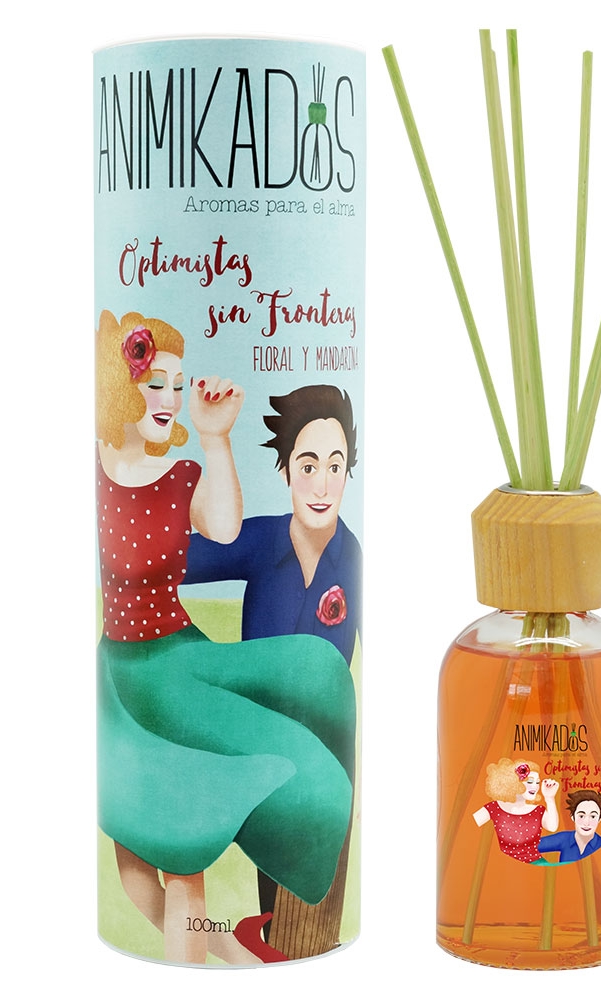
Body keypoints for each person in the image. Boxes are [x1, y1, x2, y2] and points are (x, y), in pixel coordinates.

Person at [95, 310, 355, 965]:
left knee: (186, 852)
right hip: (123, 677)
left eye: (177, 386)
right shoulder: (91, 470)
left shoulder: (180, 476)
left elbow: (224, 528)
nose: (170, 399)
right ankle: (236, 953)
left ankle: (259, 938)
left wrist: (215, 439)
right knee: (136, 869)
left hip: (179, 661)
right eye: (156, 383)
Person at [184, 384, 361, 666]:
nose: (323, 488)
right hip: (250, 695)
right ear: (285, 471)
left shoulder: (353, 556)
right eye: (308, 468)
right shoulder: (263, 540)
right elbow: (165, 560)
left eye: (335, 467)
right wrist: (214, 440)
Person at [473, 758, 560, 864]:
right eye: (530, 782)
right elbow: (469, 824)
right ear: (513, 782)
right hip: (504, 867)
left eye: (537, 782)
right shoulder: (494, 808)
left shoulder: (538, 810)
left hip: (537, 865)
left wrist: (549, 798)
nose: (535, 786)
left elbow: (552, 827)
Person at [538, 790, 601, 863]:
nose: (586, 823)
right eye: (581, 816)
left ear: (599, 819)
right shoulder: (564, 838)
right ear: (573, 817)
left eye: (593, 816)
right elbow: (532, 845)